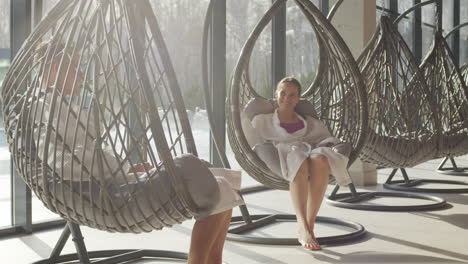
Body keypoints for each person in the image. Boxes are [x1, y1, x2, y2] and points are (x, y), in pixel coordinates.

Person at [32, 41, 241, 264]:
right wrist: (120, 171)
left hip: (111, 181)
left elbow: (90, 154)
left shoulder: (64, 108)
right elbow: (64, 163)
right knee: (191, 166)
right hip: (102, 195)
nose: (81, 74)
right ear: (56, 67)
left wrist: (127, 171)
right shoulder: (42, 109)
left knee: (214, 175)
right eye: (75, 66)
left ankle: (212, 260)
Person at [251, 77, 351, 251]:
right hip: (287, 155)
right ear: (276, 94)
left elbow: (324, 138)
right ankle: (301, 223)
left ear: (298, 99)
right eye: (283, 93)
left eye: (292, 95)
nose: (286, 98)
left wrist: (326, 145)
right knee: (300, 162)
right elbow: (250, 140)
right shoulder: (263, 121)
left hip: (309, 151)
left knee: (320, 160)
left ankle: (309, 225)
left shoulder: (309, 122)